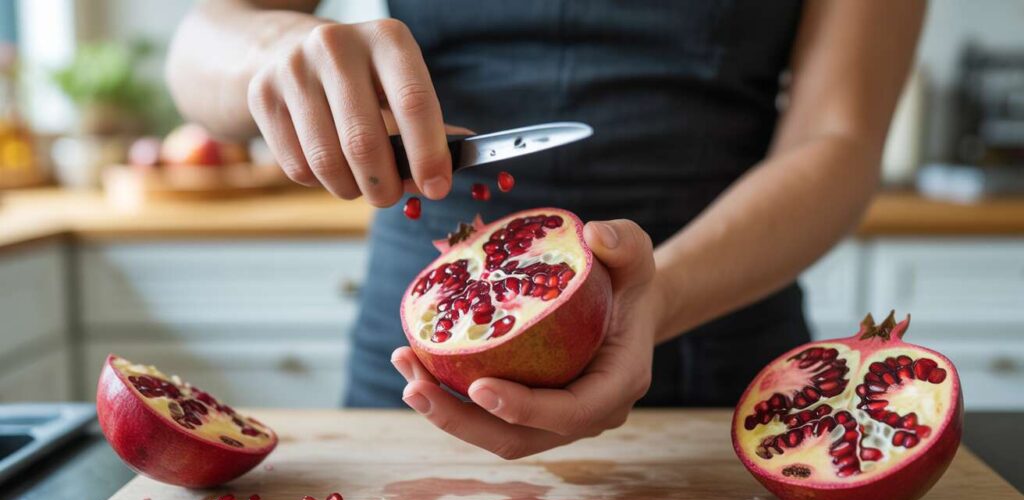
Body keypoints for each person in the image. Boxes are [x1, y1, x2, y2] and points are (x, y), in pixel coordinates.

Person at [167, 1, 924, 459]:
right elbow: (198, 43)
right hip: (422, 360)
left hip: (712, 339)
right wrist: (269, 50)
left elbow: (840, 138)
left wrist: (661, 295)